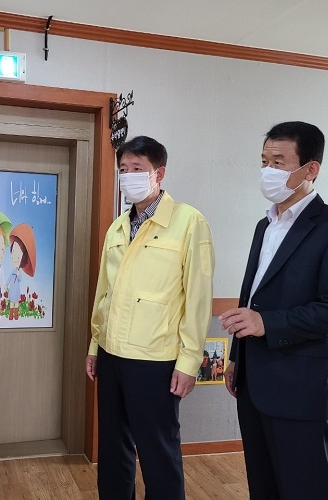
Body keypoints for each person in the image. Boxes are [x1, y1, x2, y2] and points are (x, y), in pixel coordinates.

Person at [86, 135, 214, 499]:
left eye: (137, 169)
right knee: (112, 448)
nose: (127, 176)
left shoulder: (189, 222)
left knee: (158, 450)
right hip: (112, 354)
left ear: (159, 173)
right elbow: (104, 294)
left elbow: (198, 299)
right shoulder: (117, 227)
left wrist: (189, 362)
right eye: (123, 169)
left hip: (155, 359)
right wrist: (95, 345)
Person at [220, 121, 328, 500]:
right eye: (264, 161)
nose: (268, 171)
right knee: (263, 486)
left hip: (301, 387)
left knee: (302, 489)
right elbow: (252, 296)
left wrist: (266, 323)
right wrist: (236, 357)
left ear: (310, 169)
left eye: (279, 162)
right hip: (253, 380)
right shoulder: (264, 225)